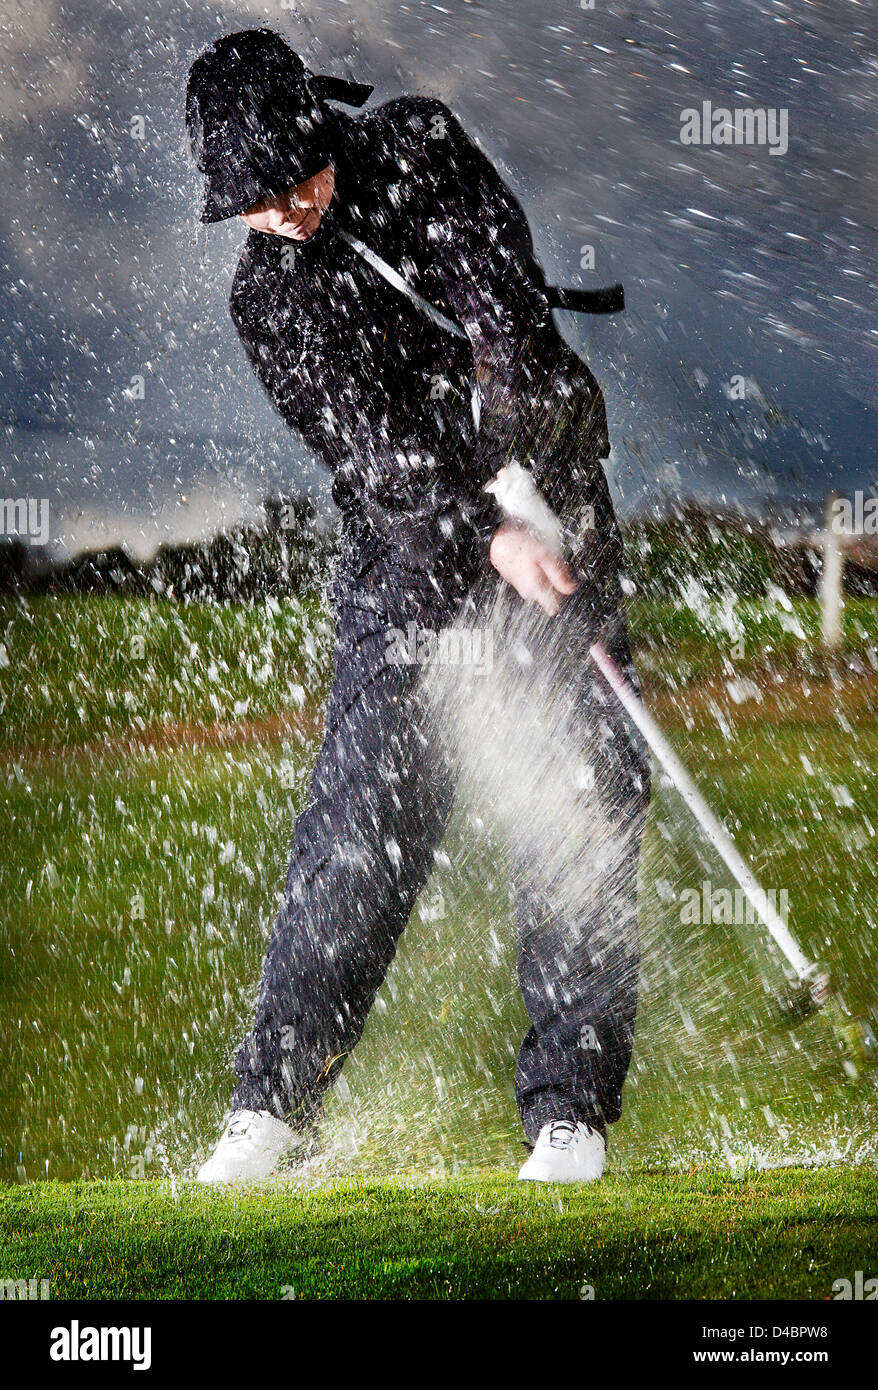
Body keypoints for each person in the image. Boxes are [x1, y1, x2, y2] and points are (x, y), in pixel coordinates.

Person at [186, 27, 650, 1184]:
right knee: (360, 827)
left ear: (322, 133)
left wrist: (528, 478)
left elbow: (505, 313)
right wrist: (482, 527)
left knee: (582, 797)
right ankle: (271, 1109)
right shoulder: (267, 301)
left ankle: (567, 1111)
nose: (284, 209)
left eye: (294, 178)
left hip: (550, 492)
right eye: (253, 200)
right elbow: (375, 454)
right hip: (412, 553)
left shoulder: (417, 148)